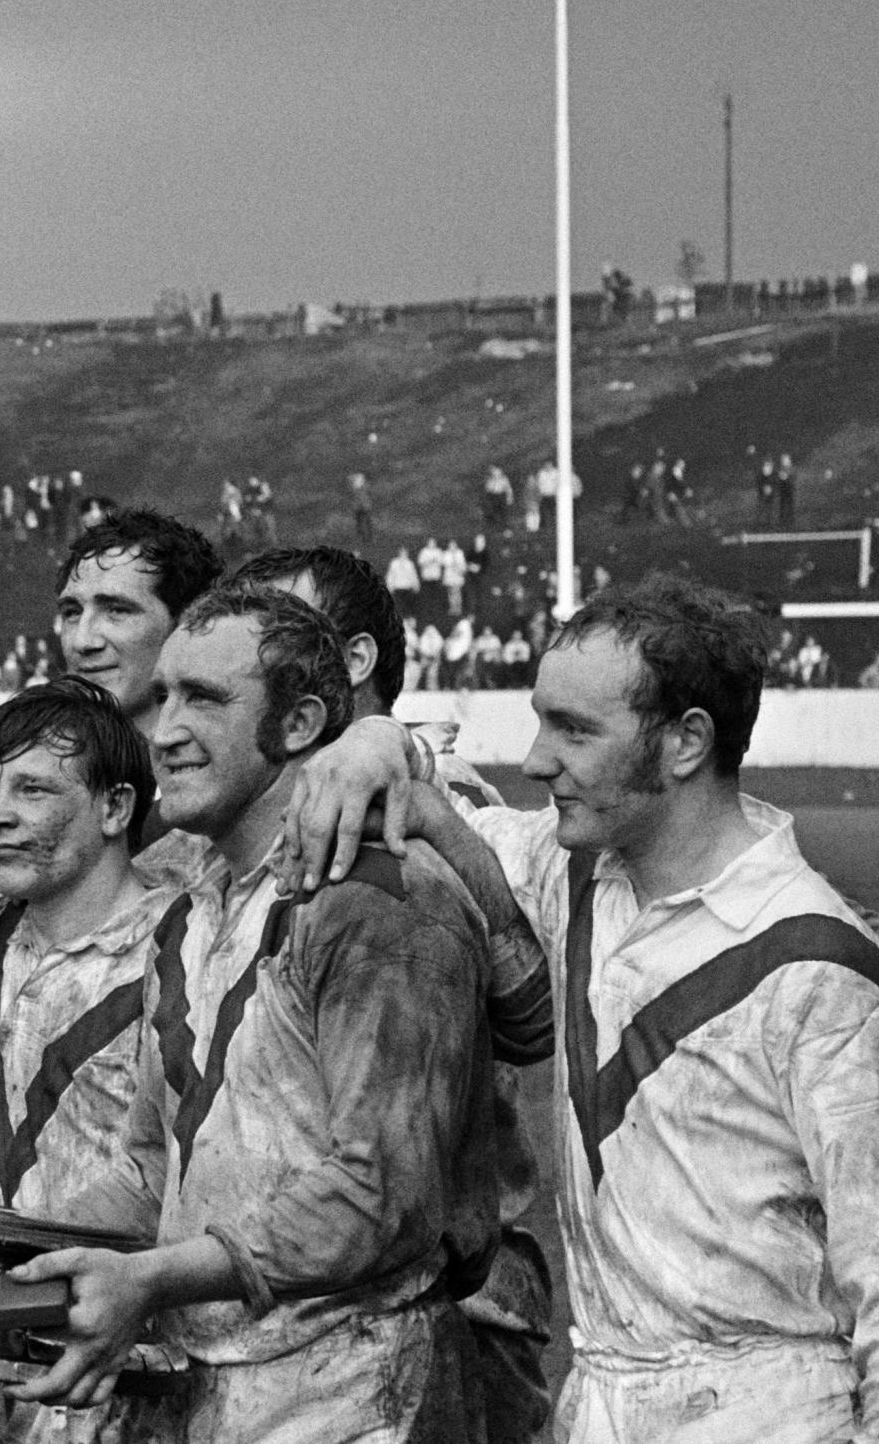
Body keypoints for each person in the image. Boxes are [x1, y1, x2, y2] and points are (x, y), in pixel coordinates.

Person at [287, 575, 879, 1441]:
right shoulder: (573, 872)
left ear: (685, 742)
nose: (533, 759)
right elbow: (443, 816)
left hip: (772, 1411)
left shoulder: (821, 972)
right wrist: (376, 737)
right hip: (602, 1402)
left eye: (574, 730)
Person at [11, 585, 501, 1438]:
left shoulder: (381, 900)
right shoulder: (189, 910)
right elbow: (148, 1175)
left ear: (302, 722)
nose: (161, 729)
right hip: (217, 1390)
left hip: (362, 1387)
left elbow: (380, 1198)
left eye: (203, 697)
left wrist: (157, 1280)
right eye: (161, 695)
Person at [232, 544, 559, 1443]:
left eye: (287, 626)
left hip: (451, 1288)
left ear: (359, 660)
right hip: (291, 1286)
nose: (260, 644)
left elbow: (532, 1018)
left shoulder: (442, 800)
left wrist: (416, 782)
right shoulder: (254, 807)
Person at [0, 676, 170, 1443]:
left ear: (116, 808)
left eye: (33, 789)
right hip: (18, 1346)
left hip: (141, 1355)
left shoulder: (176, 950)